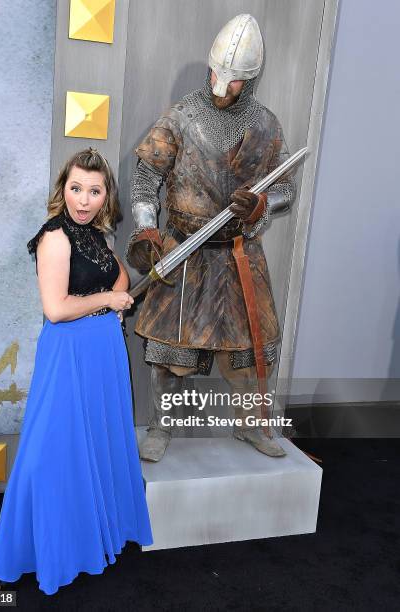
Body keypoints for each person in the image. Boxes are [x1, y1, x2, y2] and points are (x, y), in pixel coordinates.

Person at [126, 14, 297, 462]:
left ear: (250, 81)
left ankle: (251, 425)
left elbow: (285, 187)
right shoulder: (180, 117)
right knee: (171, 348)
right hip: (185, 251)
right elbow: (146, 177)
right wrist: (147, 228)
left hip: (239, 253)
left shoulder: (266, 125)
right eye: (218, 76)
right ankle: (162, 427)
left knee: (251, 348)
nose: (222, 88)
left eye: (234, 81)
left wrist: (262, 205)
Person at [0, 148, 153, 595]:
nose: (83, 199)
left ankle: (89, 539)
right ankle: (17, 554)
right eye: (76, 188)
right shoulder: (54, 238)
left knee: (94, 446)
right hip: (68, 354)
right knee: (50, 450)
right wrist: (106, 303)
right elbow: (56, 310)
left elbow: (118, 281)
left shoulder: (99, 236)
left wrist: (113, 306)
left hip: (101, 352)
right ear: (64, 188)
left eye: (94, 191)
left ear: (105, 197)